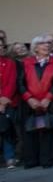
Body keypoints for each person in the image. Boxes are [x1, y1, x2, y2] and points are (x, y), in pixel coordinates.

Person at [19, 36, 53, 169]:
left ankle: (46, 159)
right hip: (29, 102)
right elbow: (20, 82)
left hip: (48, 102)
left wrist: (48, 98)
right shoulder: (26, 62)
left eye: (48, 44)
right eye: (42, 44)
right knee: (30, 130)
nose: (46, 46)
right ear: (35, 47)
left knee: (46, 130)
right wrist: (29, 98)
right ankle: (31, 160)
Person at [0, 37, 18, 168]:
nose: (1, 48)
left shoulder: (9, 63)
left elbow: (11, 83)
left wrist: (3, 101)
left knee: (6, 129)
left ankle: (9, 157)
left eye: (2, 46)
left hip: (6, 102)